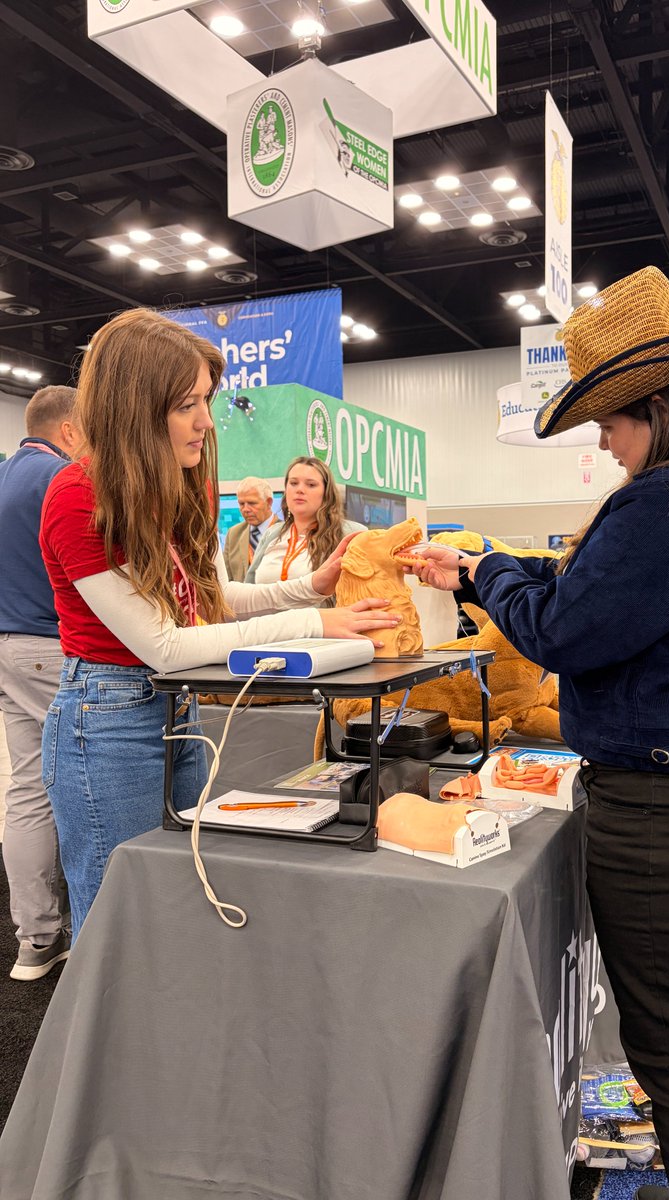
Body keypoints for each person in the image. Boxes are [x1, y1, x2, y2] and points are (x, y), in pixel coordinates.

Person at [408, 266, 669, 1200]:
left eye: (611, 427)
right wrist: (504, 569)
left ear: (655, 408)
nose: (609, 448)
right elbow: (596, 594)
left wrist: (480, 577)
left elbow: (564, 632)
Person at [38, 309, 399, 940]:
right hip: (110, 719)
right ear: (135, 408)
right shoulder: (77, 497)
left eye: (206, 401)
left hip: (178, 712)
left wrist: (306, 589)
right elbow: (167, 645)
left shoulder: (180, 486)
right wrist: (311, 622)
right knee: (116, 920)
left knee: (180, 898)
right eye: (187, 405)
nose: (207, 421)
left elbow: (210, 598)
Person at [0, 386, 80, 980]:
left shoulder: (4, 476)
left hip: (6, 647)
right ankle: (99, 932)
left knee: (28, 791)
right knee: (86, 785)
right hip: (54, 648)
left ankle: (36, 940)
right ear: (71, 428)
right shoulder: (61, 481)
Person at [246, 456, 365, 597]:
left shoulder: (351, 534)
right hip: (266, 619)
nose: (300, 490)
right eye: (294, 483)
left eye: (311, 485)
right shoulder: (272, 534)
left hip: (321, 618)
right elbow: (248, 589)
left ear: (326, 493)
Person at [223, 476, 277, 581]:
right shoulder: (233, 534)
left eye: (252, 503)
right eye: (241, 504)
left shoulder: (286, 532)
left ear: (269, 502)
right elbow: (227, 579)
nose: (246, 509)